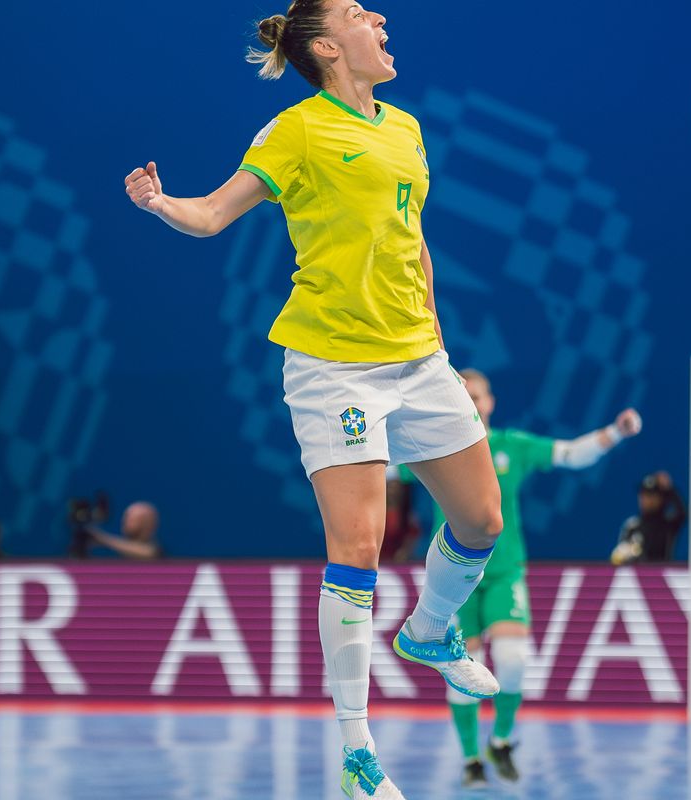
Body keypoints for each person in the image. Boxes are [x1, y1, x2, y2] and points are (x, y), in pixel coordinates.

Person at [122, 4, 504, 796]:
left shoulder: (406, 128)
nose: (380, 16)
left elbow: (412, 239)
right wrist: (162, 203)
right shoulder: (296, 131)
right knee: (358, 546)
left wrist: (435, 337)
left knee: (481, 521)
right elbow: (213, 213)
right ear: (328, 47)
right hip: (336, 366)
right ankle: (358, 753)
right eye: (360, 13)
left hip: (419, 357)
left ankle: (430, 631)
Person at [406, 368, 641, 788]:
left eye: (477, 396)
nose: (472, 403)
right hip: (454, 579)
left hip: (503, 571)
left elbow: (571, 454)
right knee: (460, 670)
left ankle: (500, 741)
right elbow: (384, 469)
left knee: (513, 660)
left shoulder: (511, 446)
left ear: (490, 402)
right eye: (464, 396)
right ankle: (472, 760)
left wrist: (615, 432)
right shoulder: (432, 447)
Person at [610, 471, 687, 565]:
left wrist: (670, 489)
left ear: (661, 498)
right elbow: (620, 554)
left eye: (651, 495)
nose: (646, 500)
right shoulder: (632, 525)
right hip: (638, 572)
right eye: (643, 495)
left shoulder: (668, 524)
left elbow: (683, 513)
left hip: (662, 571)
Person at [86, 501, 164, 560]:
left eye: (132, 519)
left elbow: (148, 553)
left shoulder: (154, 552)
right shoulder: (122, 554)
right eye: (126, 518)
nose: (125, 522)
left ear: (148, 524)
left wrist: (101, 538)